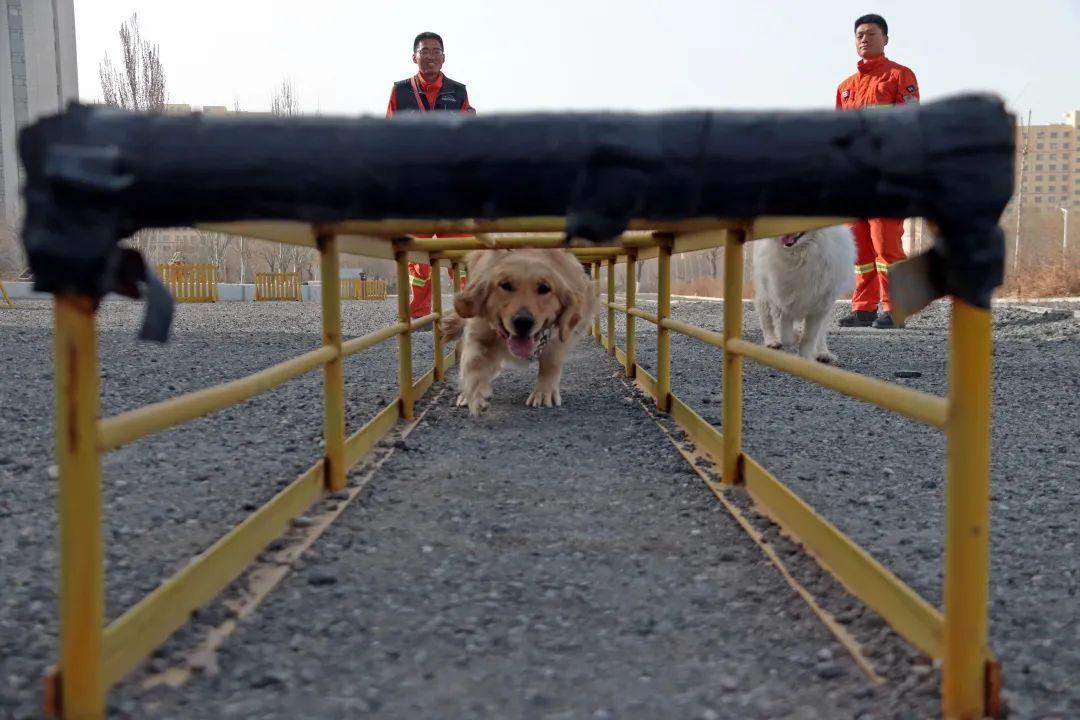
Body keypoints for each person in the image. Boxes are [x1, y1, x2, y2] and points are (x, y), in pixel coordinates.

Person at [835, 14, 919, 329]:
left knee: (886, 245)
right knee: (859, 247)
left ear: (886, 38)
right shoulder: (845, 88)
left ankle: (895, 308)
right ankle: (864, 308)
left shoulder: (900, 76)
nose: (864, 39)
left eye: (871, 33)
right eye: (859, 35)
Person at [387, 31, 473, 326]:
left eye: (436, 51)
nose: (431, 56)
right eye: (425, 51)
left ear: (444, 57)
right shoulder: (400, 92)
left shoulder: (458, 92)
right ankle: (419, 312)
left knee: (460, 252)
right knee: (417, 255)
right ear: (414, 56)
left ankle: (466, 311)